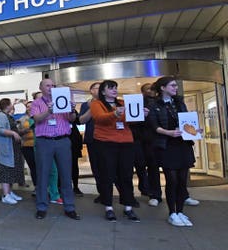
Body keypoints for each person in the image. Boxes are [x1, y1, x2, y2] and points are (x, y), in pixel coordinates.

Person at [148, 76, 200, 227]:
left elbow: (187, 122)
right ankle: (172, 213)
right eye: (172, 86)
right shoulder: (154, 105)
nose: (175, 88)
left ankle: (181, 212)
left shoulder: (179, 102)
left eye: (175, 86)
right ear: (162, 88)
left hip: (183, 145)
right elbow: (154, 126)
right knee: (172, 180)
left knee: (182, 181)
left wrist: (194, 130)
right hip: (166, 146)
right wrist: (168, 132)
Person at [91, 80, 142, 222]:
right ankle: (108, 207)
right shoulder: (97, 104)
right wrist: (115, 114)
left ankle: (128, 207)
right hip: (105, 143)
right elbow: (100, 119)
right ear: (103, 91)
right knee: (107, 175)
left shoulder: (122, 102)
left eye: (115, 88)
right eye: (111, 88)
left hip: (126, 142)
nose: (114, 90)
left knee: (126, 175)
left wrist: (140, 114)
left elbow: (130, 120)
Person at [30, 79, 80, 220]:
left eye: (53, 85)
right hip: (44, 141)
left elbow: (71, 119)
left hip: (63, 141)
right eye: (48, 85)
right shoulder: (37, 103)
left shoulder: (62, 100)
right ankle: (41, 206)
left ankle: (69, 207)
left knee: (65, 175)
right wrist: (49, 111)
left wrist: (72, 110)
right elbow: (37, 119)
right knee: (43, 175)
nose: (51, 88)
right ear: (41, 88)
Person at [0, 98, 23, 205]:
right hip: (4, 147)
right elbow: (0, 129)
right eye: (11, 103)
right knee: (5, 170)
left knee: (11, 170)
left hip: (12, 146)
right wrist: (14, 134)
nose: (12, 105)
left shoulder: (8, 115)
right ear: (7, 105)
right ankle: (5, 195)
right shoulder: (1, 115)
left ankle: (9, 192)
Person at [78, 82, 102, 202]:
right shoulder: (86, 105)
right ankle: (102, 193)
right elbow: (81, 120)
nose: (99, 90)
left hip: (108, 139)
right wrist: (93, 107)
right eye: (97, 88)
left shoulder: (109, 103)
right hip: (92, 138)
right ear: (91, 91)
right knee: (96, 167)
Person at [18, 101, 37, 190]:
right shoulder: (22, 119)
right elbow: (18, 132)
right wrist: (27, 130)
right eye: (28, 106)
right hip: (26, 146)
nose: (29, 108)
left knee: (41, 167)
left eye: (31, 106)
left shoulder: (39, 116)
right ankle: (36, 187)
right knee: (33, 167)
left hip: (39, 145)